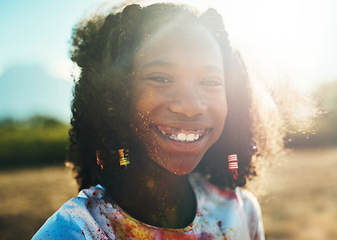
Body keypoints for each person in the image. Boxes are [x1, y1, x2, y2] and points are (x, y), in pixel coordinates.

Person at [33, 2, 286, 239]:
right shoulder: (74, 230)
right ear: (115, 96)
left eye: (210, 81)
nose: (190, 106)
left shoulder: (241, 213)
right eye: (161, 78)